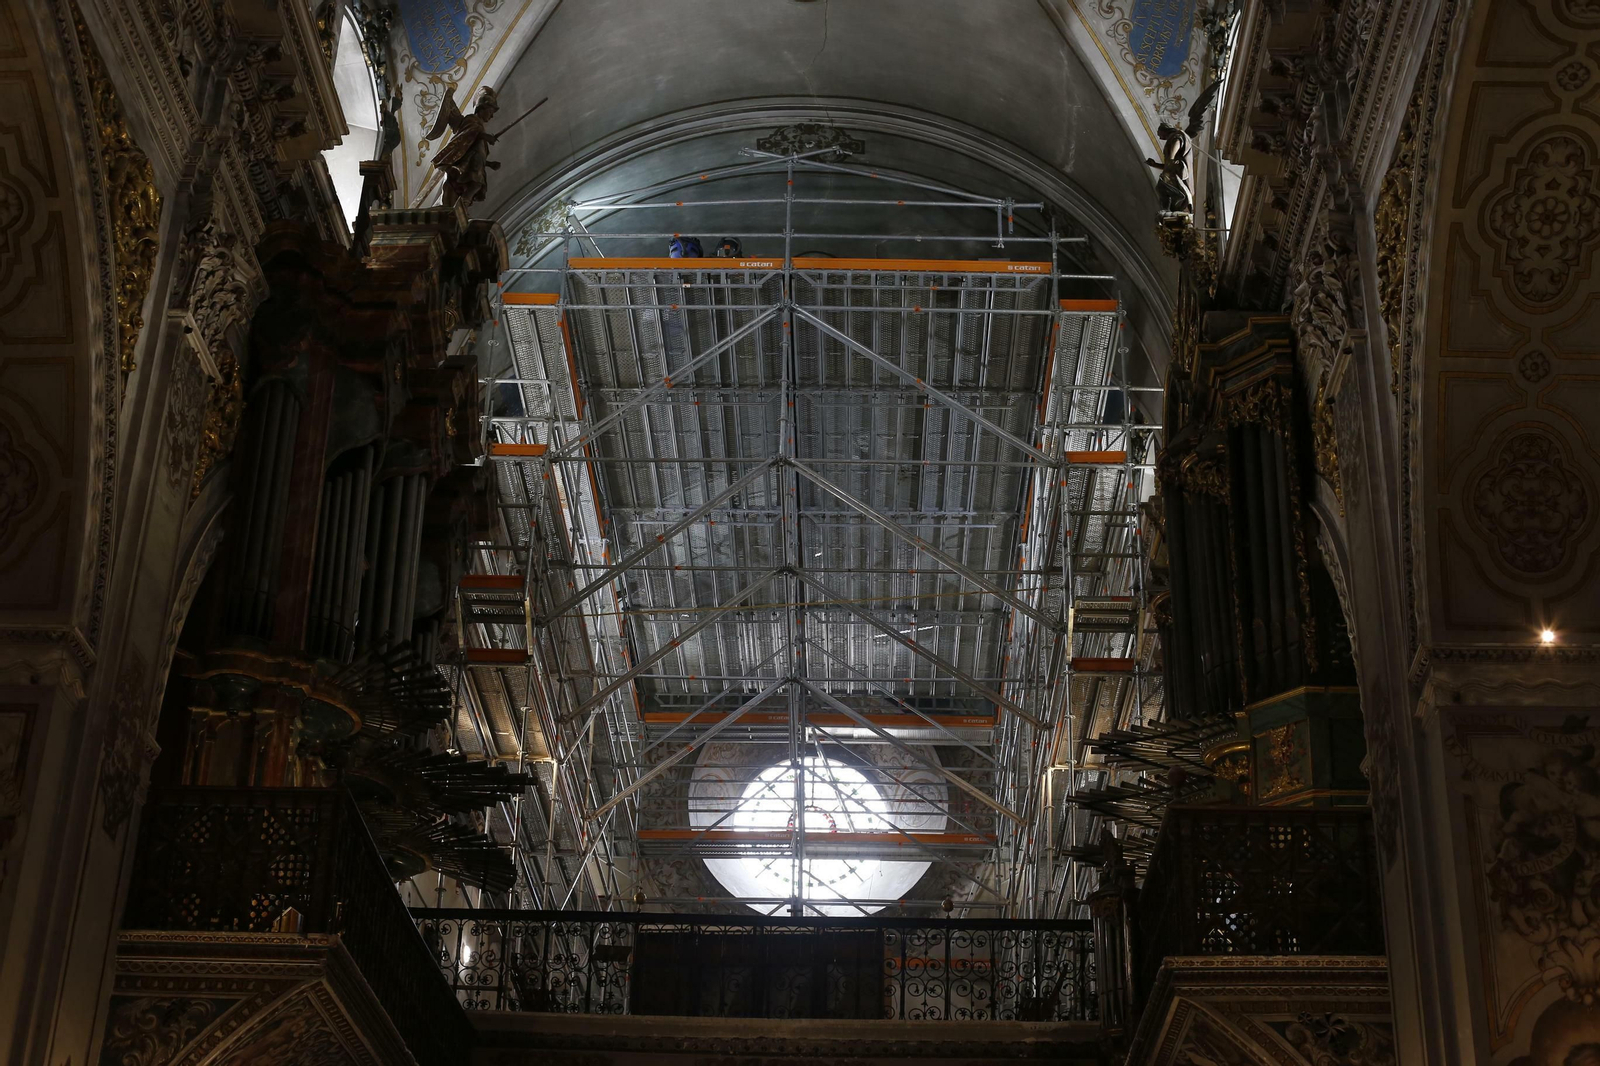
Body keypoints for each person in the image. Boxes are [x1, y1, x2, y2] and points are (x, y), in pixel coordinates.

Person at [427, 87, 502, 209]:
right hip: (464, 166)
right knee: (474, 184)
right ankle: (460, 206)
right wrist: (484, 136)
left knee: (475, 186)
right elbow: (467, 135)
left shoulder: (480, 126)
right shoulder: (471, 120)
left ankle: (461, 206)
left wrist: (489, 164)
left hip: (473, 165)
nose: (492, 116)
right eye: (490, 111)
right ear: (482, 108)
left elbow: (473, 150)